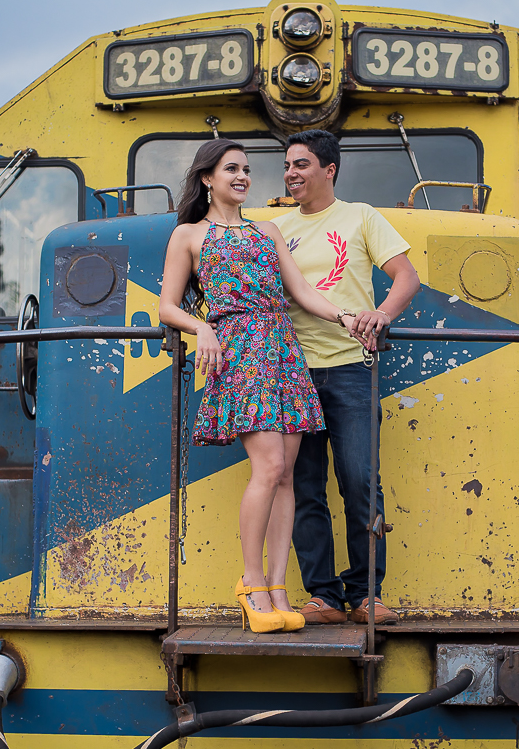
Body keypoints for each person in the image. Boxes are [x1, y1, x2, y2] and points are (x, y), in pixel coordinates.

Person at [158, 138, 369, 634]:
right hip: (237, 350)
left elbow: (302, 292)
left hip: (282, 352)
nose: (243, 177)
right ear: (207, 178)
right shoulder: (188, 235)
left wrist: (347, 316)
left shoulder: (267, 230)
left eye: (247, 170)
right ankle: (252, 583)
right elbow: (167, 306)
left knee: (287, 475)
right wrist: (202, 326)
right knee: (268, 465)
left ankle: (278, 588)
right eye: (232, 169)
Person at [273, 129, 421, 626]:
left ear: (329, 169)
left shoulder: (360, 216)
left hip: (352, 368)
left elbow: (407, 276)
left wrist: (381, 314)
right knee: (302, 484)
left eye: (301, 165)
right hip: (291, 375)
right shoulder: (275, 228)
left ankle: (366, 593)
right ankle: (323, 596)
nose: (291, 173)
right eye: (288, 165)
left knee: (360, 481)